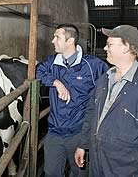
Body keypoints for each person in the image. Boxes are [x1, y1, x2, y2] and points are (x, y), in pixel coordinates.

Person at [75, 25, 138, 176]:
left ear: (126, 47)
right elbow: (91, 113)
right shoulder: (104, 79)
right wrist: (83, 144)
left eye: (110, 44)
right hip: (97, 160)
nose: (105, 48)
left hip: (125, 168)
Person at [36, 24, 108, 177]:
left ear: (70, 41)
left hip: (79, 133)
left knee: (80, 172)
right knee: (51, 172)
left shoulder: (93, 65)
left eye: (57, 37)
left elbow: (108, 90)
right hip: (55, 131)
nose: (52, 41)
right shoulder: (51, 62)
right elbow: (37, 71)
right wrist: (56, 82)